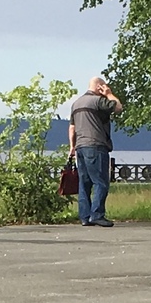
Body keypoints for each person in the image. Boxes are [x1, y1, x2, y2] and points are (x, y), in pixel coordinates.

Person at [62, 76, 118, 226]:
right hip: (96, 145)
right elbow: (118, 107)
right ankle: (97, 215)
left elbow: (72, 128)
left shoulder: (76, 103)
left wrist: (72, 147)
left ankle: (84, 217)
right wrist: (109, 93)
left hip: (80, 146)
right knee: (101, 182)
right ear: (100, 86)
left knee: (84, 183)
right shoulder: (98, 101)